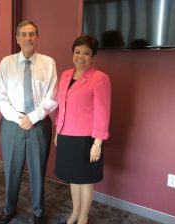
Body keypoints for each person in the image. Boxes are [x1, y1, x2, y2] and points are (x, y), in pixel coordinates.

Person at [0, 20, 58, 224]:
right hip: (13, 123)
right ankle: (9, 208)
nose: (28, 38)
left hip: (39, 123)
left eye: (32, 34)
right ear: (17, 38)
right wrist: (19, 118)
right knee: (11, 168)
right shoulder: (7, 63)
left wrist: (33, 117)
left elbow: (52, 97)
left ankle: (38, 212)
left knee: (38, 169)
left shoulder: (48, 63)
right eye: (23, 34)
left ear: (37, 37)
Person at [54, 34, 111, 224]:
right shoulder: (65, 75)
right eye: (77, 52)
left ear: (93, 56)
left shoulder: (100, 78)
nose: (80, 56)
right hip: (65, 135)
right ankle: (75, 213)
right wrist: (57, 132)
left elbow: (103, 113)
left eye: (86, 53)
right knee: (73, 178)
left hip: (86, 139)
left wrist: (98, 143)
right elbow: (61, 106)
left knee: (85, 180)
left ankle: (83, 217)